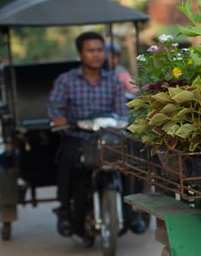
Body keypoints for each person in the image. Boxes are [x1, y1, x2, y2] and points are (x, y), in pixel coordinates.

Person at [47, 32, 144, 242]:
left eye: (100, 50)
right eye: (90, 51)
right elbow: (55, 109)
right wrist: (60, 120)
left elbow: (121, 111)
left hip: (110, 136)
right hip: (78, 136)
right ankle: (64, 210)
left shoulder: (114, 81)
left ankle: (134, 210)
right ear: (81, 54)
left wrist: (126, 123)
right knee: (67, 159)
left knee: (135, 157)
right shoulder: (66, 80)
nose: (96, 55)